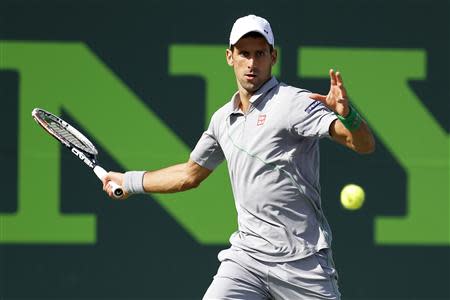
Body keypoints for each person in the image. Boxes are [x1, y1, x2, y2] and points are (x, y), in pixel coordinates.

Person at [103, 14, 375, 300]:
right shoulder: (222, 120)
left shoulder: (293, 102)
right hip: (247, 260)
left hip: (302, 263)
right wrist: (130, 181)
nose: (252, 63)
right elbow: (189, 174)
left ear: (273, 56)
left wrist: (348, 115)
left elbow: (362, 144)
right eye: (244, 53)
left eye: (260, 54)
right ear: (229, 57)